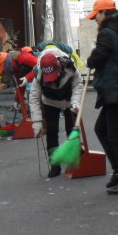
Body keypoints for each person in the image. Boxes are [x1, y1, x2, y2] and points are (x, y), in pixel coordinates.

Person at [85, 0, 118, 194]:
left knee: (114, 134)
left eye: (96, 16)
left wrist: (90, 58)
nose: (95, 20)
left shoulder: (107, 33)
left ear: (104, 13)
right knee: (102, 129)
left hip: (114, 87)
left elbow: (97, 58)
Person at [28, 49, 85, 177]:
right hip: (50, 101)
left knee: (71, 129)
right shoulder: (38, 73)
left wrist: (75, 102)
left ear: (59, 66)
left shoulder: (69, 65)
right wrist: (37, 123)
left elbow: (78, 83)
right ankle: (55, 165)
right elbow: (34, 98)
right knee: (51, 131)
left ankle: (74, 161)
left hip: (69, 99)